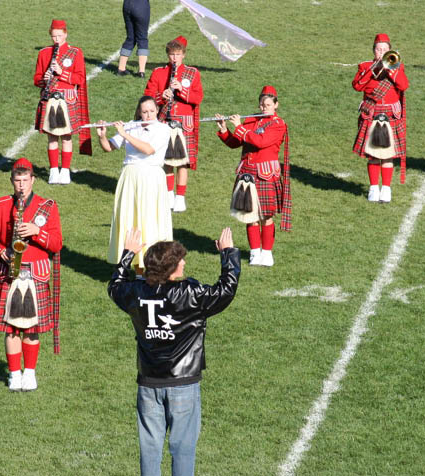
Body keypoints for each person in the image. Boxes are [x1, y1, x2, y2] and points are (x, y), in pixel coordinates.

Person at [108, 227, 240, 476]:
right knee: (182, 449)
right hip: (183, 385)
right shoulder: (190, 293)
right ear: (172, 268)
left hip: (148, 384)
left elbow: (115, 285)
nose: (184, 261)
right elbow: (225, 290)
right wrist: (228, 254)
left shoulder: (136, 293)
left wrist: (127, 253)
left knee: (149, 449)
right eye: (180, 259)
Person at [0, 158, 63, 391]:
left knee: (32, 328)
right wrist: (2, 253)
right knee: (11, 327)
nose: (21, 185)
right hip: (10, 273)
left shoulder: (46, 206)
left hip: (35, 274)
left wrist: (37, 232)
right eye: (17, 180)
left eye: (25, 180)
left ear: (33, 180)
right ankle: (14, 374)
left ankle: (30, 373)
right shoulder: (0, 206)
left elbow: (57, 244)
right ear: (11, 180)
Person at [215, 85, 291, 267]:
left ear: (276, 105)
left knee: (266, 215)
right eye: (262, 105)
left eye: (268, 104)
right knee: (250, 215)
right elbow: (235, 143)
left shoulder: (278, 124)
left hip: (265, 174)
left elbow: (260, 142)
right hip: (247, 172)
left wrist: (240, 127)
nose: (264, 108)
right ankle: (254, 253)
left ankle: (267, 253)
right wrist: (225, 129)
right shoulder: (251, 120)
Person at [96, 96, 173, 273]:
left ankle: (150, 267)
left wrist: (124, 133)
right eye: (144, 112)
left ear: (157, 111)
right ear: (139, 111)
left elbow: (148, 149)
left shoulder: (162, 129)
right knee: (131, 220)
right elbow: (109, 147)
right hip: (130, 177)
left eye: (152, 111)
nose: (148, 115)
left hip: (151, 177)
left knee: (149, 221)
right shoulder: (131, 125)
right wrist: (102, 136)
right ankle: (133, 266)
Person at [144, 36, 203, 212]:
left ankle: (180, 197)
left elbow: (197, 98)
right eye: (171, 55)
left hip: (184, 123)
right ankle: (169, 194)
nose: (174, 58)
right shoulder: (159, 72)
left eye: (177, 54)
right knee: (167, 160)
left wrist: (182, 90)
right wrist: (162, 97)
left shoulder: (192, 73)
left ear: (183, 55)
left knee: (183, 162)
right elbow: (148, 95)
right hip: (165, 120)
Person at [34, 19, 92, 185]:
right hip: (50, 97)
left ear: (66, 34)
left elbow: (80, 78)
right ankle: (53, 170)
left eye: (59, 35)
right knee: (52, 136)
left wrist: (62, 72)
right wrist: (44, 79)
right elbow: (36, 79)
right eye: (53, 36)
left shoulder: (75, 53)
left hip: (67, 99)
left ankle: (65, 171)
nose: (56, 39)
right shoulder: (44, 53)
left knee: (66, 137)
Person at [352, 33, 409, 203]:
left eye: (384, 49)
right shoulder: (365, 66)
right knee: (373, 154)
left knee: (388, 155)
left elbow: (404, 85)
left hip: (390, 114)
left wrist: (392, 71)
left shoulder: (397, 67)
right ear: (374, 51)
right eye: (378, 49)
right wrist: (372, 70)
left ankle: (386, 189)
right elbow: (357, 85)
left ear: (389, 51)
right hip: (373, 113)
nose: (381, 52)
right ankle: (373, 188)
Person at [117, 0, 150, 77]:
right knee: (142, 39)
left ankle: (121, 69)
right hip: (141, 6)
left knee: (130, 38)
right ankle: (141, 71)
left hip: (127, 5)